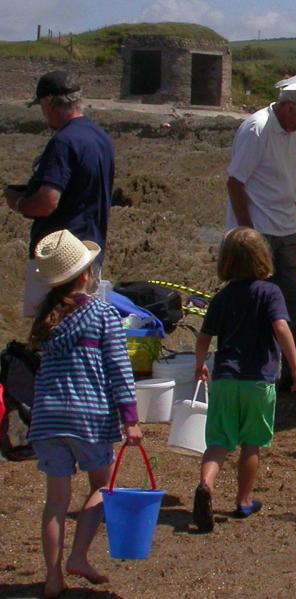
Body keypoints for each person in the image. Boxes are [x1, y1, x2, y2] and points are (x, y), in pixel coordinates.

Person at [26, 229, 142, 598]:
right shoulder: (102, 313)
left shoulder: (46, 321)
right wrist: (132, 419)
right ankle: (78, 555)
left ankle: (53, 577)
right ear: (87, 274)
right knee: (102, 485)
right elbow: (119, 370)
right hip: (88, 417)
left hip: (47, 418)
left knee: (55, 502)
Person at [193, 227, 296, 533]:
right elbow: (281, 328)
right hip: (258, 380)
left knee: (218, 442)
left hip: (226, 379)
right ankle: (243, 501)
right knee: (251, 443)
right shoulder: (270, 292)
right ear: (262, 258)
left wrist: (200, 365)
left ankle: (206, 484)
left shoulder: (222, 297)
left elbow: (203, 336)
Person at [226, 88, 296, 391]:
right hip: (260, 230)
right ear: (290, 107)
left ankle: (290, 372)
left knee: (292, 300)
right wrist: (248, 233)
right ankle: (253, 371)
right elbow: (235, 181)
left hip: (285, 227)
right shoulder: (258, 128)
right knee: (255, 301)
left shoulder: (287, 129)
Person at [4, 71, 115, 319]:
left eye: (42, 107)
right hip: (90, 249)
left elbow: (46, 202)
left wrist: (19, 202)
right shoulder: (101, 138)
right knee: (85, 330)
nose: (43, 115)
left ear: (51, 103)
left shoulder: (63, 142)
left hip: (58, 258)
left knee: (48, 333)